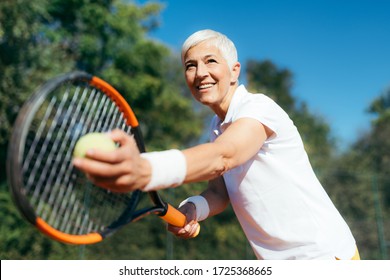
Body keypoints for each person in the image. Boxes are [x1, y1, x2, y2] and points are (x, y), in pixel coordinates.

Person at [73, 29, 359, 260]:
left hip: (323, 258)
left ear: (234, 71)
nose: (200, 73)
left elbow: (225, 156)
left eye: (210, 61)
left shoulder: (258, 108)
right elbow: (219, 192)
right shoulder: (216, 129)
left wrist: (147, 169)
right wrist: (193, 208)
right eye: (190, 65)